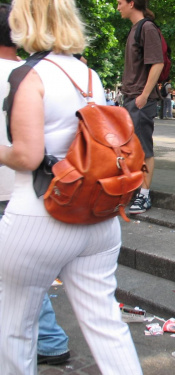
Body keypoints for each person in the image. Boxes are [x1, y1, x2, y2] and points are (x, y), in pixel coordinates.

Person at [0, 0, 143, 373]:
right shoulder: (87, 74)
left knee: (15, 327)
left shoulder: (29, 75)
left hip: (42, 212)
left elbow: (28, 157)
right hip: (98, 215)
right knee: (106, 324)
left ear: (25, 19)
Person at [0, 3, 71, 367]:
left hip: (21, 195)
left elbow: (27, 155)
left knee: (16, 292)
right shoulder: (63, 73)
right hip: (45, 195)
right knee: (24, 285)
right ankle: (51, 339)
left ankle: (48, 340)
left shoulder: (30, 75)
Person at [118, 0, 164, 214]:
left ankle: (144, 196)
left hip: (139, 99)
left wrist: (144, 95)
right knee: (133, 149)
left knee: (144, 149)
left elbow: (158, 62)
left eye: (120, 2)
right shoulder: (135, 29)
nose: (118, 7)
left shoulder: (146, 28)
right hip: (131, 97)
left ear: (131, 3)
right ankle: (137, 190)